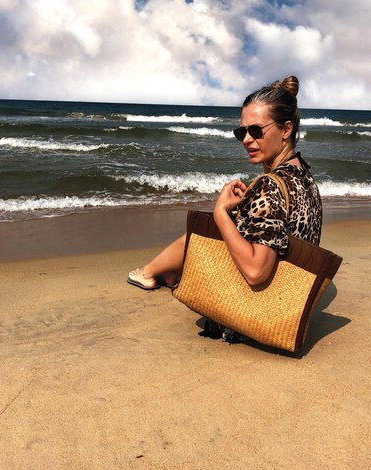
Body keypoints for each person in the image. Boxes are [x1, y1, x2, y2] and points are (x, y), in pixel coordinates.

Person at [127, 75, 322, 319]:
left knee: (205, 232)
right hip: (293, 300)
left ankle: (148, 273)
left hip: (264, 312)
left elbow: (255, 272)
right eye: (242, 132)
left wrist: (221, 212)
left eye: (256, 130)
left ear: (286, 129)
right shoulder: (303, 174)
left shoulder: (270, 186)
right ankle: (163, 273)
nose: (247, 139)